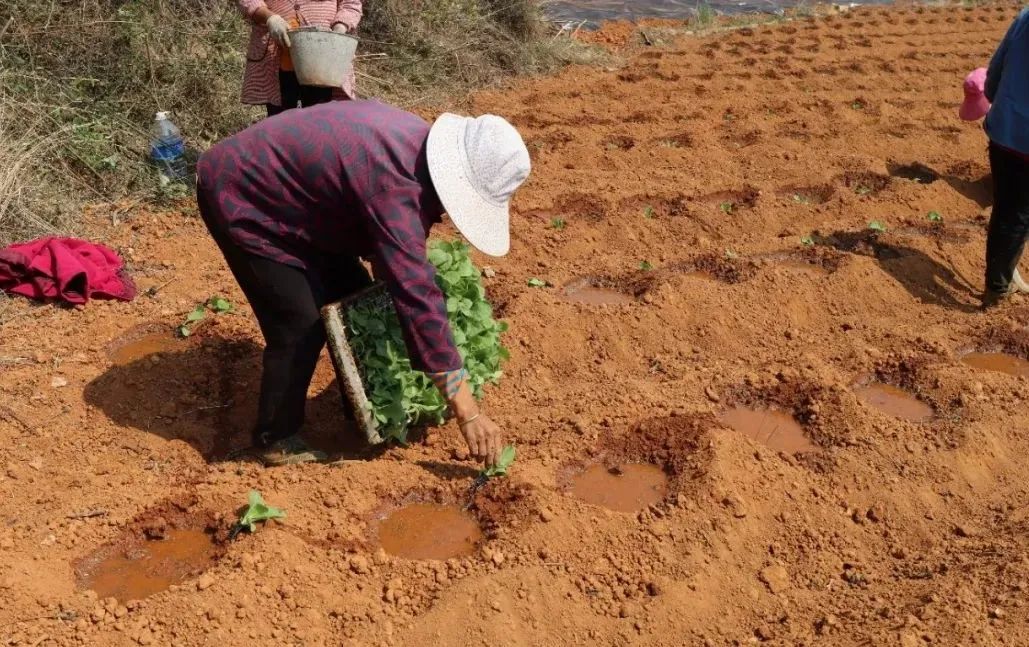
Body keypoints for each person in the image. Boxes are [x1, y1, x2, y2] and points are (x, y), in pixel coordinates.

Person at [195, 100, 531, 467]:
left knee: (355, 295)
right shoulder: (396, 188)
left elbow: (373, 222)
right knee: (298, 323)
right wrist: (467, 411)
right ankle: (275, 436)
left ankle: (357, 405)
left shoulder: (412, 146)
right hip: (243, 195)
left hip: (299, 200)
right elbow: (417, 297)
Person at [979, 11, 1029, 308]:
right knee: (1017, 215)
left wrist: (1000, 105)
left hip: (1003, 130)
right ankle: (997, 288)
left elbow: (994, 73)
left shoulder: (1025, 17)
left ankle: (1008, 272)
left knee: (1008, 209)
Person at [237, 1, 362, 117]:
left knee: (320, 123)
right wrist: (270, 18)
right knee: (281, 123)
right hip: (278, 59)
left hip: (324, 62)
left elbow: (351, 3)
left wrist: (340, 26)